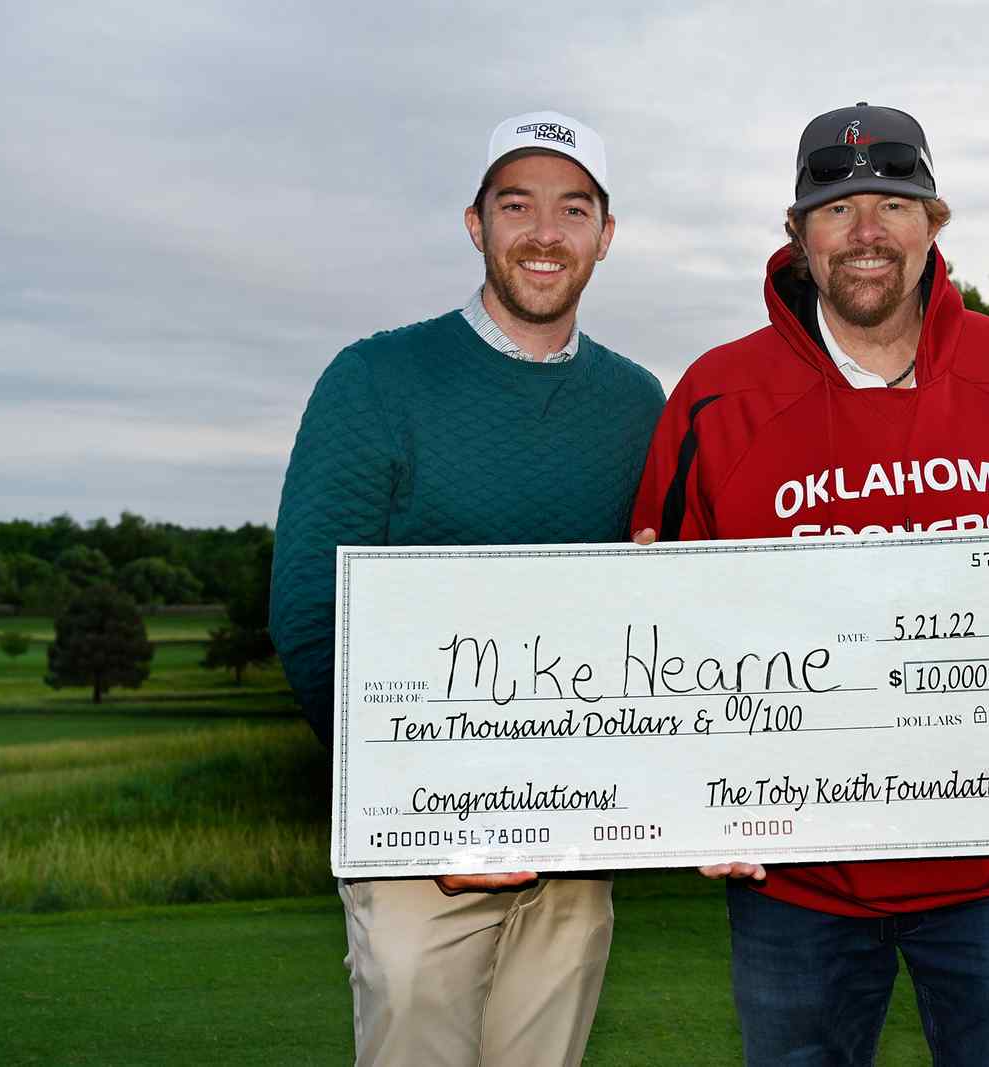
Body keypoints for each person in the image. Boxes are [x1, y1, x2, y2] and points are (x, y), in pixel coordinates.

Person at [631, 102, 989, 1065]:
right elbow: (663, 606)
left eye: (892, 204)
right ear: (798, 233)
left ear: (935, 222)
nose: (866, 233)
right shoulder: (714, 396)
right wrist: (690, 777)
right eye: (836, 209)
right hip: (794, 875)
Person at [270, 109, 665, 1067]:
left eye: (574, 208)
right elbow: (314, 614)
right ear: (475, 222)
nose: (544, 232)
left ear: (605, 237)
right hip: (420, 842)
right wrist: (430, 807)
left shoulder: (639, 403)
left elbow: (659, 612)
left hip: (577, 833)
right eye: (516, 203)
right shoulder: (375, 379)